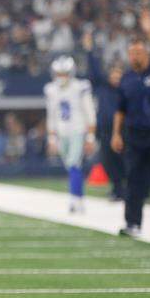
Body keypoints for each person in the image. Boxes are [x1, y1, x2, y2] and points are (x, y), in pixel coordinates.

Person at [111, 38, 150, 237]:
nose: (134, 56)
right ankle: (132, 223)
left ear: (146, 53)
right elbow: (120, 110)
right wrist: (116, 134)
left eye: (138, 52)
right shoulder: (126, 78)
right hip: (134, 135)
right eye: (132, 53)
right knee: (133, 180)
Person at [44, 55, 96, 213]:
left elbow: (90, 113)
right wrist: (52, 138)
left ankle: (74, 200)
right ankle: (79, 198)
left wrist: (90, 137)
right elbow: (51, 115)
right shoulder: (51, 89)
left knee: (74, 164)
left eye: (64, 73)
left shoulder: (80, 87)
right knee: (71, 166)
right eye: (59, 73)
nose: (61, 77)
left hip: (77, 130)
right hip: (61, 132)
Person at [83, 31, 126, 200]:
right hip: (105, 131)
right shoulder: (102, 87)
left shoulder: (125, 89)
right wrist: (88, 49)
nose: (115, 77)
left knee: (124, 161)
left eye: (118, 75)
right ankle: (116, 188)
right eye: (113, 74)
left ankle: (125, 189)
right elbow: (94, 70)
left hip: (123, 131)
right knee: (108, 162)